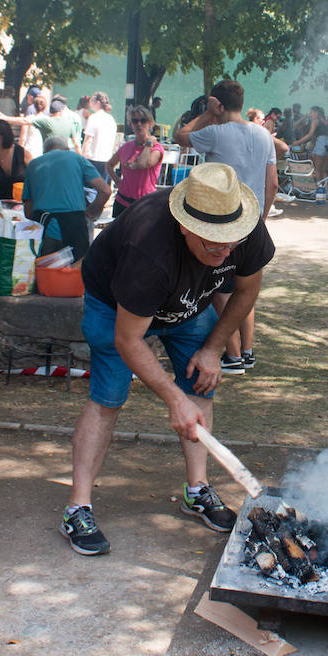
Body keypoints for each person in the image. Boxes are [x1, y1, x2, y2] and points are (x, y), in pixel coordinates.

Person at [61, 163, 275, 555]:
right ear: (185, 227)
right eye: (214, 244)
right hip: (117, 306)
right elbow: (128, 339)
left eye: (231, 243)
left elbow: (245, 293)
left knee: (200, 386)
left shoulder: (243, 224)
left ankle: (197, 490)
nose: (226, 252)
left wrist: (212, 349)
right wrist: (173, 399)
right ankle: (78, 506)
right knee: (108, 399)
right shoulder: (149, 246)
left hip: (189, 306)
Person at [175, 80, 278, 372]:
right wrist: (262, 219)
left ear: (217, 103)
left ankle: (232, 356)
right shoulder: (263, 134)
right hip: (252, 219)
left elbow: (180, 136)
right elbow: (273, 183)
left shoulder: (215, 133)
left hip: (222, 220)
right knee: (247, 286)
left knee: (218, 287)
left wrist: (206, 114)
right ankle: (247, 351)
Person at [22, 136, 110, 263]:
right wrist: (91, 212)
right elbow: (105, 191)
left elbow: (28, 211)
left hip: (44, 230)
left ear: (44, 151)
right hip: (75, 228)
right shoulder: (77, 158)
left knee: (45, 277)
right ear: (67, 149)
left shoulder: (33, 165)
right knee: (75, 277)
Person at [105, 106, 164, 217]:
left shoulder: (156, 148)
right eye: (135, 121)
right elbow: (109, 165)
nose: (139, 124)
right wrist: (117, 181)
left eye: (143, 120)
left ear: (150, 124)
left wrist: (148, 144)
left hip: (145, 203)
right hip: (122, 201)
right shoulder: (126, 147)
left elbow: (143, 164)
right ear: (131, 124)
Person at [82, 92, 119, 180]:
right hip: (107, 159)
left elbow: (88, 140)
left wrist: (82, 157)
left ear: (97, 103)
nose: (90, 104)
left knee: (90, 189)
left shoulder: (93, 118)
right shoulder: (111, 119)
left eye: (92, 101)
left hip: (92, 159)